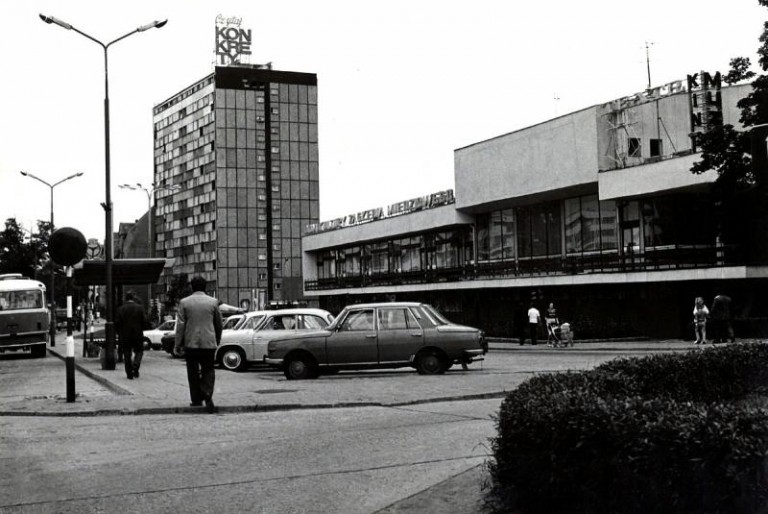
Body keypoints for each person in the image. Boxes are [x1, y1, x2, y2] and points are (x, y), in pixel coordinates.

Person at [174, 276, 223, 413]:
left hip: (191, 343)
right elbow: (219, 324)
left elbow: (181, 326)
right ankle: (207, 394)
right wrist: (217, 339)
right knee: (208, 370)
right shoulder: (213, 302)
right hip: (209, 342)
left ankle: (196, 399)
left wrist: (178, 344)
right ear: (205, 287)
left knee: (193, 372)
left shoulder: (184, 303)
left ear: (192, 287)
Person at [115, 291, 148, 380]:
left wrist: (119, 332)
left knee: (127, 354)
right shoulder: (140, 308)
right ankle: (135, 366)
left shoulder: (121, 309)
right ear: (133, 298)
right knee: (139, 351)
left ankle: (129, 373)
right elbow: (144, 321)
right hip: (137, 334)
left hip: (125, 335)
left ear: (126, 299)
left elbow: (117, 323)